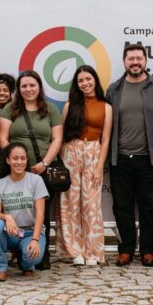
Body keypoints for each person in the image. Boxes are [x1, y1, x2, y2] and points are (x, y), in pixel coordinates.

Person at [105, 43, 153, 267]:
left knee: (148, 207)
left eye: (139, 58)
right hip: (120, 159)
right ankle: (126, 250)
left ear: (145, 60)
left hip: (149, 158)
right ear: (124, 61)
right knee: (122, 206)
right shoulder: (114, 89)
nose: (135, 62)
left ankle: (148, 251)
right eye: (131, 59)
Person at [0, 70, 62, 270]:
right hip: (15, 171)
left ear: (39, 87)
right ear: (19, 89)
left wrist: (45, 163)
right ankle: (18, 251)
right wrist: (15, 162)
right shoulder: (10, 109)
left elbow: (57, 139)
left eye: (32, 85)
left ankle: (43, 254)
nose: (28, 89)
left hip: (42, 170)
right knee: (15, 210)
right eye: (24, 86)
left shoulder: (50, 109)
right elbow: (2, 138)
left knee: (42, 212)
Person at [55, 66, 112, 267]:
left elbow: (106, 140)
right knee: (69, 202)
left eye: (88, 79)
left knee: (91, 204)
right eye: (81, 80)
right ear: (76, 84)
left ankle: (92, 251)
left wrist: (99, 167)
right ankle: (73, 251)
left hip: (93, 152)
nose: (85, 83)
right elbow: (61, 136)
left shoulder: (106, 107)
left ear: (95, 80)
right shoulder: (69, 105)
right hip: (71, 152)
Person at [0, 142, 48, 280]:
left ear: (27, 160)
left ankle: (26, 264)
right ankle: (0, 267)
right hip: (12, 232)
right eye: (15, 158)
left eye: (23, 158)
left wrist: (35, 239)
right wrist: (8, 217)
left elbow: (40, 214)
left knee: (33, 257)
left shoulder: (36, 180)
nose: (19, 162)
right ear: (8, 160)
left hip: (31, 231)